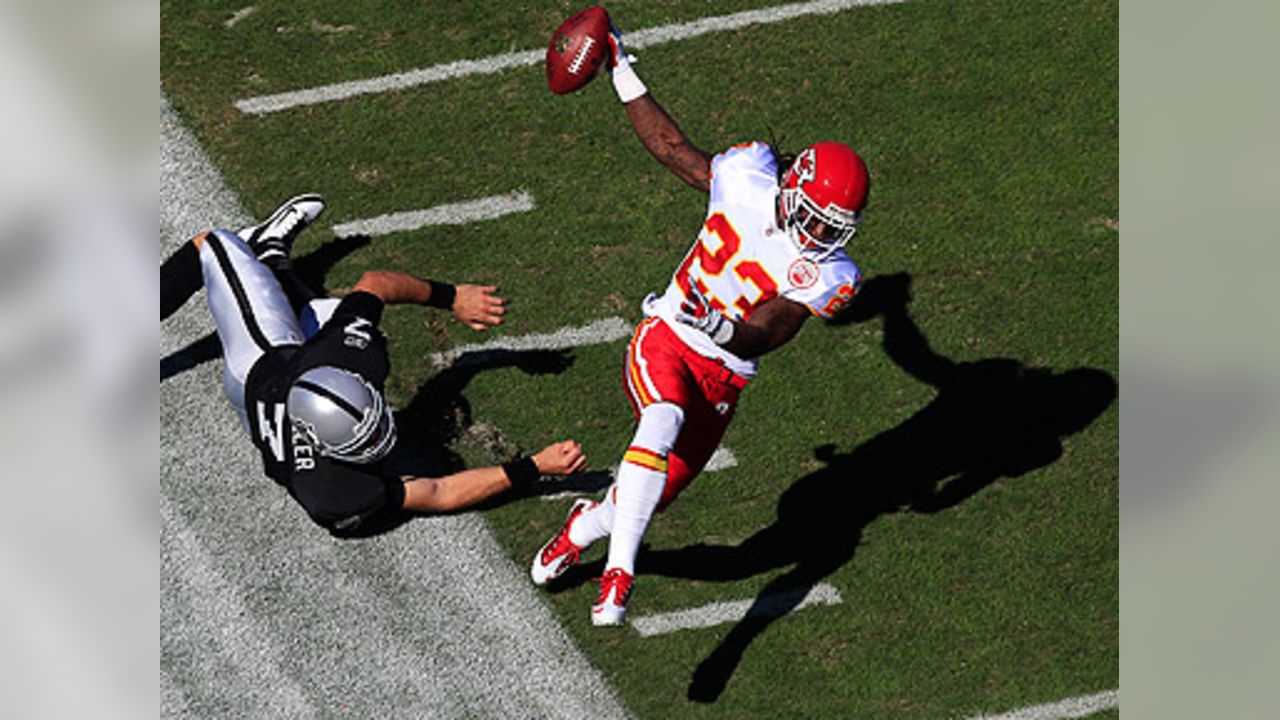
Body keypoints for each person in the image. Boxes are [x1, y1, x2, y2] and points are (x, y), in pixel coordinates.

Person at [529, 14, 872, 625]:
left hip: (723, 372)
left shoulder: (828, 274)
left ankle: (584, 528)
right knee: (659, 419)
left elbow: (771, 329)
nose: (819, 234)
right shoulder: (745, 178)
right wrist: (622, 69)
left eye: (832, 227)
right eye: (815, 217)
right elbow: (670, 147)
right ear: (793, 187)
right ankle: (618, 575)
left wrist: (721, 328)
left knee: (650, 494)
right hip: (666, 335)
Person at [160, 194, 587, 535]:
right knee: (216, 245)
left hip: (263, 369)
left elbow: (376, 285)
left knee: (232, 257)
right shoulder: (333, 492)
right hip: (261, 369)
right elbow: (436, 492)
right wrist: (534, 467)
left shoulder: (343, 361)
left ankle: (267, 256)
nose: (383, 438)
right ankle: (265, 253)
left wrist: (451, 296)